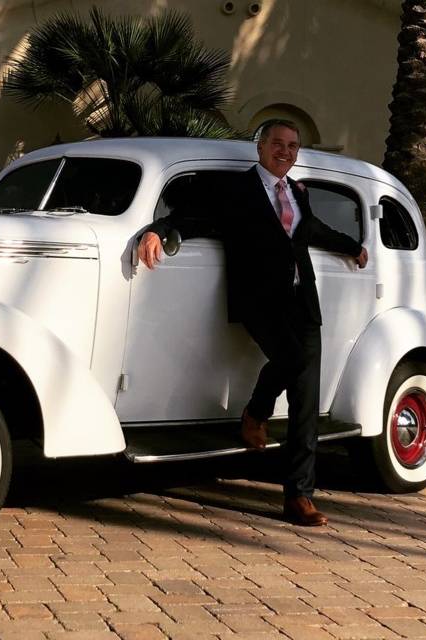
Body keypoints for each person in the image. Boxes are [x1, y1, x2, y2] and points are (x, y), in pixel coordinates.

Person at [137, 120, 368, 526]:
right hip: (259, 300)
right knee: (293, 361)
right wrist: (158, 230)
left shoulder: (298, 192)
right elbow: (195, 218)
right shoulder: (235, 190)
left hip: (303, 301)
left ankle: (299, 496)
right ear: (260, 148)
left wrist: (353, 247)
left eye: (293, 146)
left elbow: (309, 230)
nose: (286, 151)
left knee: (306, 401)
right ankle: (255, 413)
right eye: (278, 144)